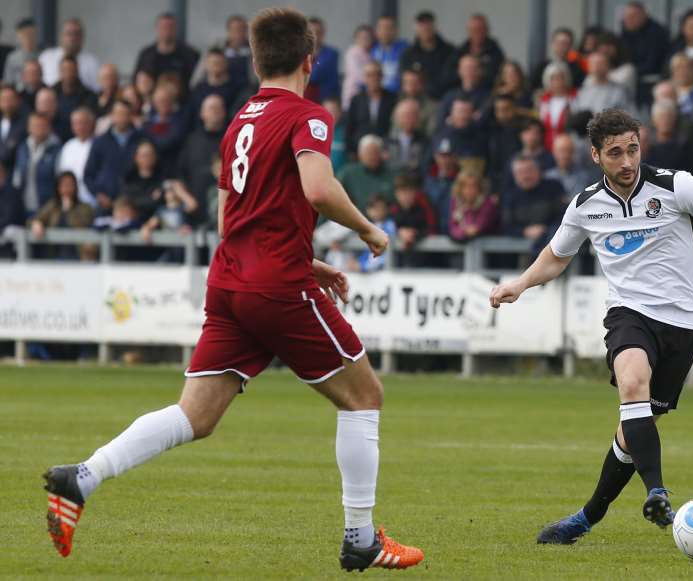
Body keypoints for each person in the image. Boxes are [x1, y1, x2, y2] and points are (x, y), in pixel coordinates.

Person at [42, 8, 424, 571]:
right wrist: (367, 228)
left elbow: (234, 219)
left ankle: (83, 476)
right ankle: (361, 537)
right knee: (364, 396)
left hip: (230, 281)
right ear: (309, 61)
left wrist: (310, 262)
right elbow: (318, 188)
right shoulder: (308, 115)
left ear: (254, 60)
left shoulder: (239, 120)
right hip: (274, 286)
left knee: (196, 415)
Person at [490, 108, 693, 545]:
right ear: (596, 155)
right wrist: (521, 283)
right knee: (632, 384)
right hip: (628, 313)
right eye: (615, 153)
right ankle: (657, 492)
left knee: (634, 428)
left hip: (683, 323)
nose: (626, 161)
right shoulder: (587, 205)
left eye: (632, 149)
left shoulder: (676, 185)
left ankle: (587, 516)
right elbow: (556, 254)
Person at [84, 100, 144, 215]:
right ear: (112, 116)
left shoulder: (141, 140)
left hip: (133, 204)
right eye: (119, 114)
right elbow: (89, 174)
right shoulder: (100, 142)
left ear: (131, 116)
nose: (122, 118)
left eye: (125, 114)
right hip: (105, 203)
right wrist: (98, 194)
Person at [500, 154, 565, 258]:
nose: (526, 175)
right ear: (514, 175)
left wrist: (545, 231)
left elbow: (563, 217)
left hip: (553, 244)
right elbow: (505, 226)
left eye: (529, 170)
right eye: (520, 172)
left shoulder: (554, 187)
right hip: (519, 253)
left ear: (538, 170)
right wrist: (525, 231)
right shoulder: (509, 195)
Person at [177, 94, 225, 223]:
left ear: (224, 113)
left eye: (218, 108)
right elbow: (178, 177)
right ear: (202, 113)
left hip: (223, 214)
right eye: (211, 108)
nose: (215, 111)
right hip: (195, 213)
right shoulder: (191, 141)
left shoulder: (232, 139)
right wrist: (187, 199)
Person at [29, 171, 94, 260]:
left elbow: (83, 225)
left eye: (70, 185)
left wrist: (69, 210)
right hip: (53, 256)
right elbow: (35, 219)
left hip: (77, 255)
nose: (66, 188)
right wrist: (36, 223)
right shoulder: (53, 206)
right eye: (63, 185)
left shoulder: (85, 208)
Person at [134, 12, 200, 93]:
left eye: (170, 27)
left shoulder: (189, 54)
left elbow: (197, 82)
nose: (166, 30)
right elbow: (137, 80)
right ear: (157, 28)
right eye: (163, 27)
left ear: (175, 29)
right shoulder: (146, 55)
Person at [620, 2, 669, 106]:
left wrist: (632, 71)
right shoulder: (625, 33)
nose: (628, 20)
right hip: (629, 76)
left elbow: (653, 63)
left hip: (650, 77)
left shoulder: (656, 33)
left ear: (643, 16)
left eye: (632, 16)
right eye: (626, 17)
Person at [12, 112, 60, 216]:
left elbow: (59, 180)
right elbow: (17, 177)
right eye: (35, 125)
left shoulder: (57, 149)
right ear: (29, 128)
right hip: (24, 205)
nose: (38, 129)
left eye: (42, 126)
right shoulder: (23, 148)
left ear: (49, 127)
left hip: (48, 207)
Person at [399, 11, 453, 101]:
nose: (425, 29)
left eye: (428, 26)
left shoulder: (449, 51)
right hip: (415, 100)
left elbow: (450, 78)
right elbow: (404, 79)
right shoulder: (408, 54)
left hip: (442, 98)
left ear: (435, 27)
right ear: (416, 28)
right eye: (422, 26)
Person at [344, 62, 397, 155]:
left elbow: (395, 127)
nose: (373, 78)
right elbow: (349, 127)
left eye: (377, 74)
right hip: (359, 151)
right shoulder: (356, 100)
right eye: (369, 75)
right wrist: (351, 151)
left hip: (384, 151)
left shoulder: (392, 99)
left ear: (382, 76)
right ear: (364, 78)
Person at [444, 14, 505, 92]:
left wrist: (476, 76)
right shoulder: (460, 51)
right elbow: (447, 75)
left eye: (480, 29)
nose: (477, 33)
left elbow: (498, 76)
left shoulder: (495, 52)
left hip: (487, 93)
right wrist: (465, 75)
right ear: (468, 31)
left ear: (487, 30)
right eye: (473, 30)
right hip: (460, 92)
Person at [39, 19, 100, 90]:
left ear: (82, 37)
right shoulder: (46, 57)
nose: (73, 38)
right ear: (61, 36)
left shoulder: (92, 61)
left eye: (76, 34)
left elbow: (97, 89)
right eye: (69, 33)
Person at [338, 134, 396, 209]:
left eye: (375, 152)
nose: (372, 157)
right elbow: (333, 196)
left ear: (381, 154)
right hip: (355, 217)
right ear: (360, 154)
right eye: (368, 153)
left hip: (383, 218)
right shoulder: (347, 173)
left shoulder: (391, 175)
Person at [57, 108, 96, 207]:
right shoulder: (68, 146)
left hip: (92, 198)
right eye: (76, 123)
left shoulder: (97, 145)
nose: (80, 126)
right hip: (72, 200)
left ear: (91, 124)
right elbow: (63, 173)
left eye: (83, 122)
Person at [437, 54, 490, 125]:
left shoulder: (488, 97)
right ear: (459, 71)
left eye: (473, 68)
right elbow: (440, 122)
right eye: (466, 68)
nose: (469, 72)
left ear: (480, 71)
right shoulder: (449, 96)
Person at [528, 28, 585, 92]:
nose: (562, 47)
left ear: (571, 46)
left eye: (566, 43)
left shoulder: (577, 69)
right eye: (559, 43)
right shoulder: (541, 67)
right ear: (552, 44)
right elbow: (532, 88)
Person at [448, 170, 498, 242]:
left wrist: (462, 231)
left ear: (479, 187)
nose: (469, 190)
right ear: (460, 188)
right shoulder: (455, 202)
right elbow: (452, 228)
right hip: (461, 247)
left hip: (489, 248)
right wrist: (463, 232)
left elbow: (476, 228)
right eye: (465, 186)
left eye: (473, 186)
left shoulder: (488, 204)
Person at [545, 133, 597, 200]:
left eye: (568, 150)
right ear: (554, 152)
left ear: (573, 152)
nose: (565, 155)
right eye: (561, 151)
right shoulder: (547, 177)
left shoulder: (585, 176)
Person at [538, 63, 576, 152]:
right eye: (553, 79)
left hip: (566, 146)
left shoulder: (573, 99)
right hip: (547, 146)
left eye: (560, 78)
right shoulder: (544, 101)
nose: (557, 82)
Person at [423, 138, 458, 235]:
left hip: (455, 233)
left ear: (454, 157)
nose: (444, 160)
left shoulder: (461, 179)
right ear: (435, 156)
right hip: (433, 233)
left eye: (448, 156)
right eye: (441, 155)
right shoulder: (428, 181)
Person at [385, 98, 427, 174]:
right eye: (406, 115)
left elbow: (423, 165)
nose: (409, 119)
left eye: (413, 115)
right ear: (397, 117)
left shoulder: (425, 141)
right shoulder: (387, 141)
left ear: (418, 118)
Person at [370, 16, 408, 94]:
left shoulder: (405, 49)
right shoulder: (372, 50)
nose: (385, 31)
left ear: (396, 31)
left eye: (389, 28)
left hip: (398, 95)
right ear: (376, 31)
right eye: (382, 28)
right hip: (378, 96)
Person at [306, 17, 340, 103]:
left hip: (324, 100)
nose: (315, 35)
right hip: (304, 99)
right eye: (312, 32)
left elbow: (314, 76)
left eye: (318, 32)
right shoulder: (300, 53)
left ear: (323, 33)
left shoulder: (331, 54)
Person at [342, 25, 374, 110]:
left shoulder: (371, 53)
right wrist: (372, 80)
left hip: (366, 92)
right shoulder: (352, 53)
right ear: (356, 38)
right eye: (362, 37)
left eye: (368, 37)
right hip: (353, 91)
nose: (365, 40)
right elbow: (357, 74)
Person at [3, 18, 38, 88]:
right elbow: (8, 81)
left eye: (31, 33)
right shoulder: (13, 58)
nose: (28, 37)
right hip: (19, 93)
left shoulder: (45, 55)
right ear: (18, 35)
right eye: (24, 34)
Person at [0, 85, 27, 170]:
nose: (7, 103)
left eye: (10, 99)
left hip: (14, 171)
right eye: (4, 99)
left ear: (18, 100)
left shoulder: (25, 123)